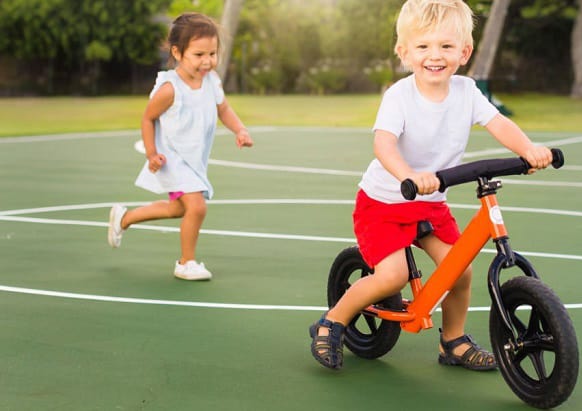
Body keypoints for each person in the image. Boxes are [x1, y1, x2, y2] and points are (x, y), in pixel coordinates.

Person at [309, 0, 553, 370]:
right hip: (385, 203)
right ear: (404, 52)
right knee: (393, 276)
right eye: (423, 47)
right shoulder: (399, 96)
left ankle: (452, 341)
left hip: (430, 202)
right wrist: (408, 174)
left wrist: (529, 149)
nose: (434, 56)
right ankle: (333, 322)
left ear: (464, 52)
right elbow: (384, 144)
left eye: (446, 46)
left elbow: (499, 123)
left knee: (461, 270)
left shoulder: (467, 92)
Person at [107, 12, 253, 281]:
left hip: (193, 159)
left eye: (212, 53)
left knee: (179, 209)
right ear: (177, 52)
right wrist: (152, 154)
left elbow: (224, 109)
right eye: (199, 55)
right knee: (197, 207)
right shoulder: (169, 89)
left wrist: (240, 129)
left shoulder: (212, 82)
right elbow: (148, 118)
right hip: (171, 157)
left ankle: (124, 219)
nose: (207, 61)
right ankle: (186, 262)